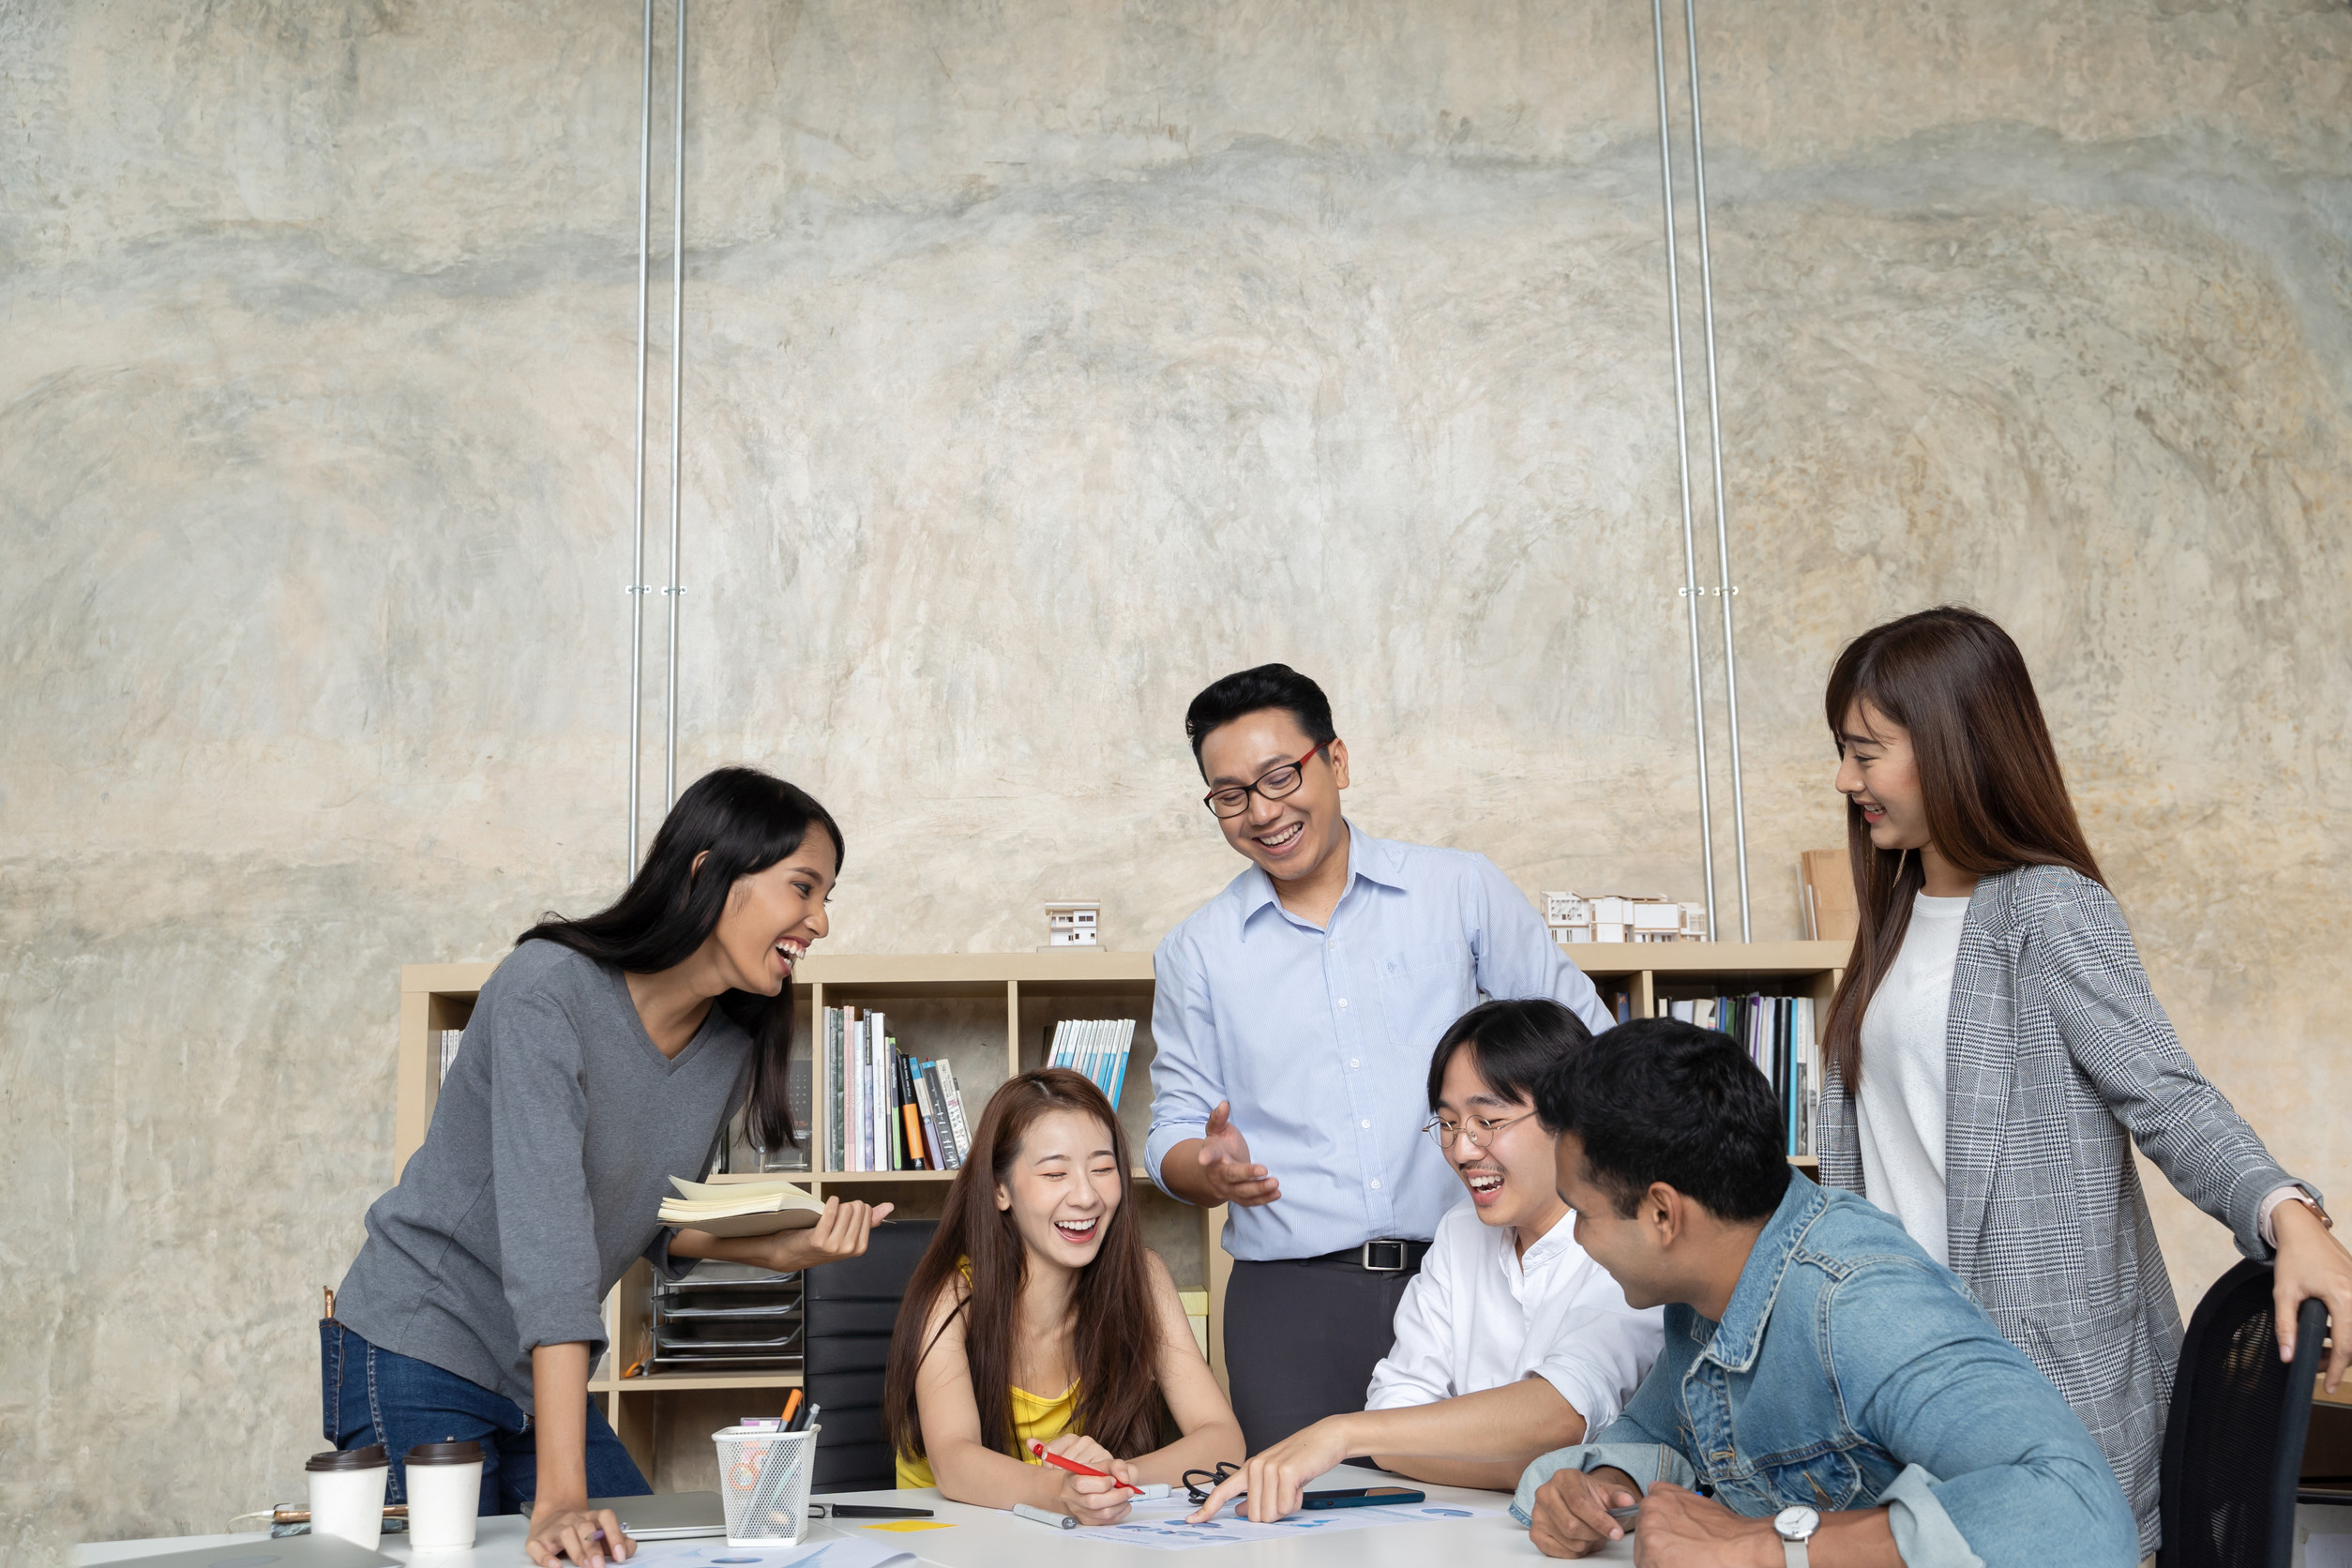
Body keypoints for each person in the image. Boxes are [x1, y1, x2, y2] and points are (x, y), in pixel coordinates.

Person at [1817, 606, 2352, 1558]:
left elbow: (2168, 1096)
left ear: (1952, 745)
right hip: (1903, 1385)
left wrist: (2288, 1212)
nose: (1847, 779)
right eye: (1845, 753)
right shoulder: (1891, 918)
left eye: (1868, 752)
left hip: (2039, 1391)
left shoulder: (2049, 909)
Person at [326, 768, 893, 1568]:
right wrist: (561, 1494)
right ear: (708, 871)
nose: (822, 921)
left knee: (637, 1549)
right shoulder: (545, 991)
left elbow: (648, 1216)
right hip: (421, 1345)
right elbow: (551, 1235)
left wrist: (776, 1251)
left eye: (828, 895)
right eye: (803, 888)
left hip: (535, 1376)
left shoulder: (727, 1048)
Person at [1148, 663, 1614, 1452]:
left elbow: (1588, 1051)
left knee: (1503, 1508)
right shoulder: (1197, 951)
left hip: (1482, 1267)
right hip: (1293, 1304)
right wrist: (1208, 1168)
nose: (1262, 812)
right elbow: (1171, 1133)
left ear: (1337, 762)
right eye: (1230, 795)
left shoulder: (1460, 891)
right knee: (1300, 1526)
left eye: (1279, 776)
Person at [1516, 1018, 2138, 1568]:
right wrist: (1601, 1484)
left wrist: (1762, 1545)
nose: (1578, 1236)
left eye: (1583, 1212)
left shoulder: (1860, 1305)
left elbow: (2080, 1515)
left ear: (1662, 1214)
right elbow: (1654, 1433)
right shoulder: (1706, 1288)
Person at [1187, 999, 1663, 1522]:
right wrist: (1545, 1474)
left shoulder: (1628, 1238)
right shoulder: (1461, 1231)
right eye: (1449, 1124)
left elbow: (1560, 1414)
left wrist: (1342, 1434)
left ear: (1571, 1117)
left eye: (1488, 1120)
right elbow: (1393, 1419)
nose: (1462, 1151)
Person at [882, 1068, 1243, 1522]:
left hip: (1069, 1537)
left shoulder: (1143, 1279)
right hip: (948, 1537)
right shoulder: (952, 1294)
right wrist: (1060, 1491)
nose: (1086, 1196)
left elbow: (1222, 1438)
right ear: (999, 1189)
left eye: (1103, 1168)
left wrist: (1114, 1477)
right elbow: (954, 1463)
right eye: (1055, 1173)